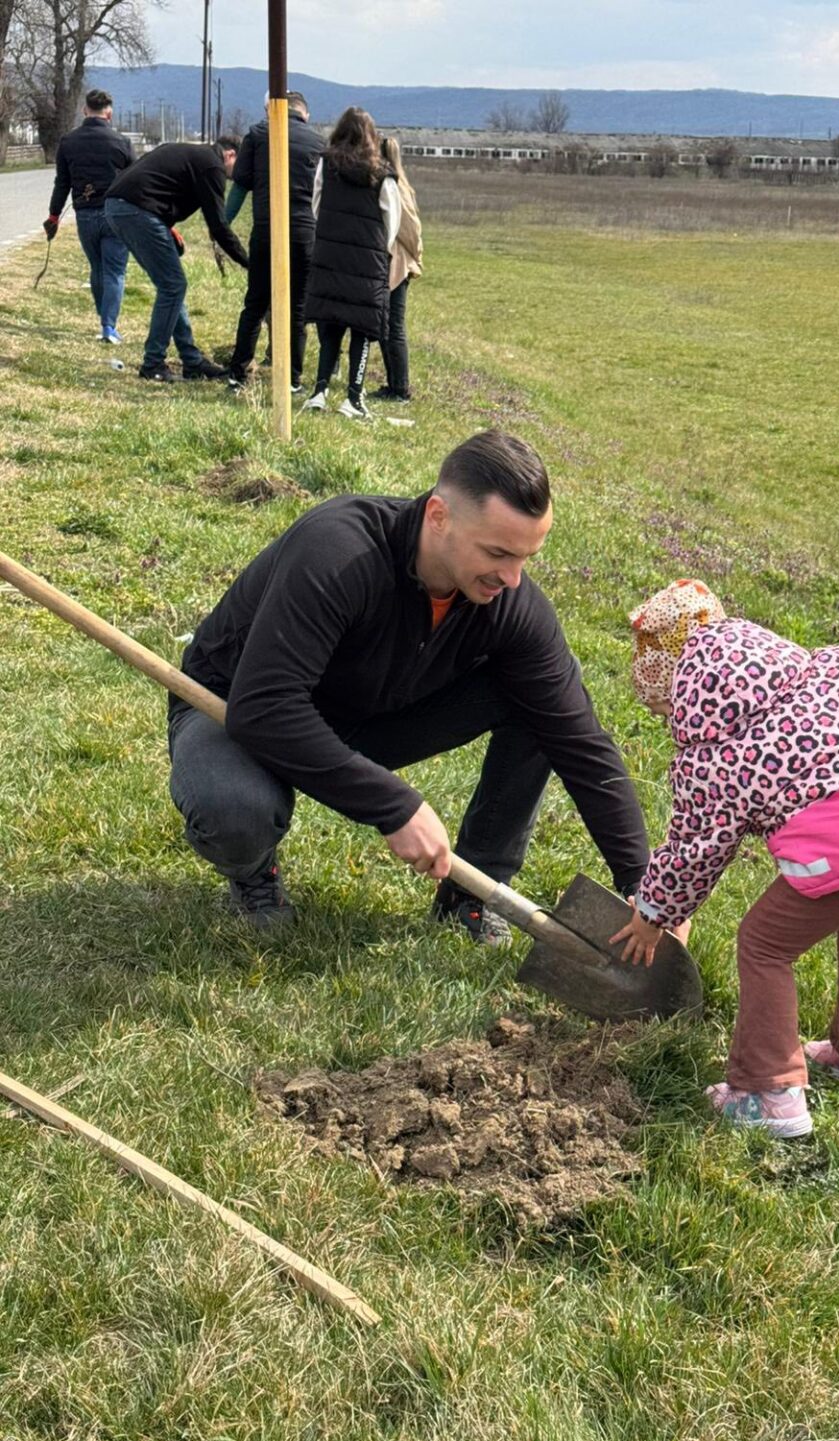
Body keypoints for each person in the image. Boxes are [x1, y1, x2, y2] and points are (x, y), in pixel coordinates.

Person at [167, 430, 650, 935]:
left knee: (544, 695)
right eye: (498, 553)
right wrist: (393, 804)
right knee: (235, 809)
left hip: (366, 718)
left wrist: (645, 884)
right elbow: (263, 707)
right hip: (233, 708)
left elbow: (579, 743)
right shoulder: (338, 550)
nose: (512, 577)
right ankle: (253, 870)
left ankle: (473, 891)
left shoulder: (511, 603)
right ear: (438, 516)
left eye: (526, 558)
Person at [612, 579, 839, 1140]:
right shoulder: (827, 668)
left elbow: (693, 849)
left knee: (764, 943)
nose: (667, 723)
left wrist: (653, 911)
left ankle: (769, 1092)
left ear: (681, 688)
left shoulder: (711, 751)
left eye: (664, 709)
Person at [104, 137, 248, 383]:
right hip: (137, 211)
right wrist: (248, 262)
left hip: (119, 207)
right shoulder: (212, 165)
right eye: (240, 167)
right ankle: (153, 364)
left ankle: (192, 361)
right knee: (174, 285)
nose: (237, 176)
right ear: (231, 155)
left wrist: (165, 224)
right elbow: (218, 226)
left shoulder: (193, 153)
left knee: (170, 286)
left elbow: (158, 182)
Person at [302, 107, 400, 420]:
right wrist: (381, 249)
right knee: (361, 329)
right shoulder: (381, 172)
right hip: (367, 261)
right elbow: (392, 218)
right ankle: (353, 400)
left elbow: (316, 203)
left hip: (329, 254)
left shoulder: (327, 164)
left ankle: (318, 392)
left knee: (329, 325)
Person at [225, 91, 326, 393]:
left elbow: (240, 184)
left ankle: (238, 373)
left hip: (266, 230)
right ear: (305, 114)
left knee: (255, 303)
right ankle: (293, 378)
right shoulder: (318, 142)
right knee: (297, 307)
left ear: (274, 110)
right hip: (304, 234)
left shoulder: (257, 134)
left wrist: (222, 225)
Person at [43, 88, 135, 345]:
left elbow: (62, 182)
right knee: (115, 271)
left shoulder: (68, 142)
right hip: (115, 214)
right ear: (109, 112)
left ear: (85, 110)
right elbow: (135, 180)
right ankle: (109, 326)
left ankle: (103, 318)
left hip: (84, 213)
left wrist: (53, 216)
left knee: (97, 268)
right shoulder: (122, 142)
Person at [370, 135, 422, 404]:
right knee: (384, 325)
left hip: (398, 263)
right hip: (389, 262)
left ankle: (400, 387)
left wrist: (416, 257)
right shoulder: (397, 183)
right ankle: (393, 383)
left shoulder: (396, 187)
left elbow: (411, 229)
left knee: (394, 326)